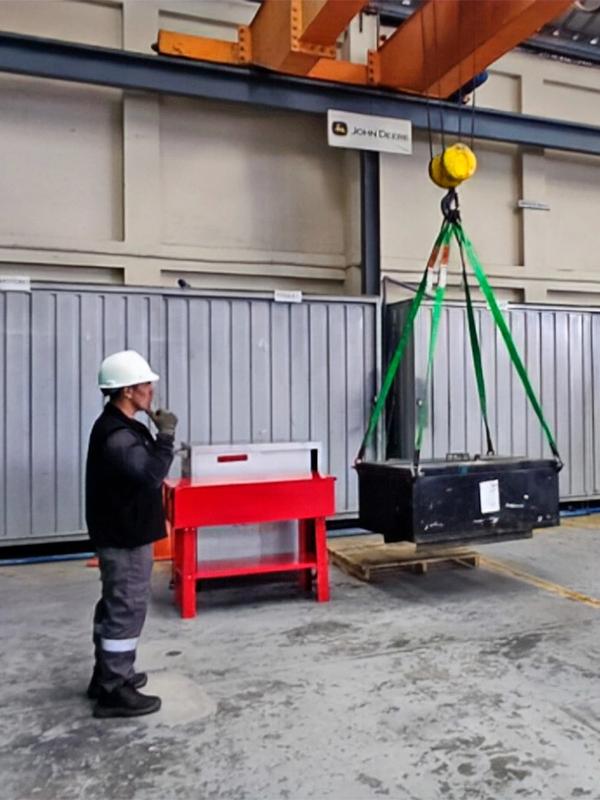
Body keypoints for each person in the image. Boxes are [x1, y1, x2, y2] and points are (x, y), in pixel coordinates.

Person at [85, 349, 178, 718]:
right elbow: (150, 475)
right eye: (145, 385)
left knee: (114, 605)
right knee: (126, 607)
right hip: (124, 537)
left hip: (123, 531)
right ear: (126, 391)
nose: (151, 390)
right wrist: (167, 436)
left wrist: (156, 432)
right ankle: (113, 689)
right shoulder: (117, 437)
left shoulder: (123, 426)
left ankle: (106, 674)